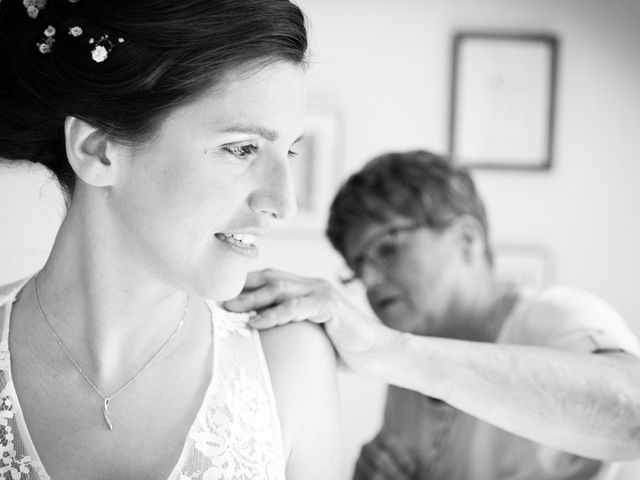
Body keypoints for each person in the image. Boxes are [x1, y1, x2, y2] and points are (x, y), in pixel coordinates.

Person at [0, 0, 340, 479]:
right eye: (241, 148)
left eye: (289, 151)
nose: (283, 204)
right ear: (98, 150)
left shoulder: (292, 362)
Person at [225, 150, 640, 479]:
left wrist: (389, 351)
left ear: (466, 239)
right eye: (357, 266)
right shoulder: (406, 374)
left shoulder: (558, 317)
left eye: (387, 248)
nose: (369, 280)